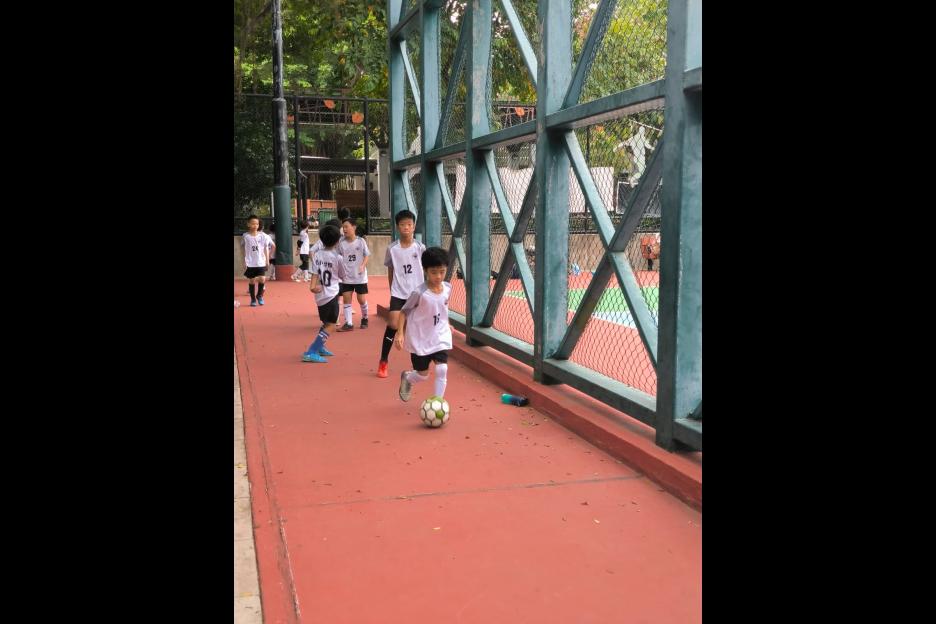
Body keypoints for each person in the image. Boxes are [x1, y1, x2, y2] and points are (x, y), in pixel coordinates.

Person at [395, 247, 452, 402]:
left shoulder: (447, 288)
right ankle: (408, 378)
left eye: (442, 271)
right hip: (419, 338)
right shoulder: (419, 293)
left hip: (439, 335)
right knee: (422, 375)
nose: (438, 276)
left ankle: (438, 402)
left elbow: (442, 308)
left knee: (442, 368)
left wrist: (447, 324)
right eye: (434, 272)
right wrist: (400, 334)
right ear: (425, 271)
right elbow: (403, 312)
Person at [377, 210, 426, 378]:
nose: (406, 227)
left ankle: (418, 365)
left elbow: (426, 269)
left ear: (414, 227)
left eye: (409, 224)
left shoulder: (420, 247)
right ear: (398, 227)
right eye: (403, 224)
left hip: (417, 293)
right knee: (393, 324)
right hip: (399, 293)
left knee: (417, 328)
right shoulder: (392, 248)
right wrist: (392, 289)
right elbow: (391, 270)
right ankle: (383, 360)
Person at [301, 224, 347, 363]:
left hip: (320, 294)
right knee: (331, 324)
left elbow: (314, 273)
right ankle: (311, 351)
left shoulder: (317, 254)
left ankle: (320, 346)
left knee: (326, 322)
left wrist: (312, 287)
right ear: (338, 241)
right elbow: (343, 275)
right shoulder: (338, 258)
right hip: (331, 294)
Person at [336, 217, 370, 331]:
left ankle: (365, 318)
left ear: (354, 227)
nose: (344, 229)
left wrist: (363, 265)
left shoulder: (361, 241)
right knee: (346, 299)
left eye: (346, 227)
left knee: (361, 300)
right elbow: (337, 256)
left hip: (360, 277)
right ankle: (349, 323)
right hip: (346, 276)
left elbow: (367, 255)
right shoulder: (341, 243)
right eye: (343, 227)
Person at [241, 215, 273, 306]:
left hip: (260, 261)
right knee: (252, 280)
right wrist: (244, 261)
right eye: (253, 223)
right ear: (248, 224)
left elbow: (265, 248)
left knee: (262, 279)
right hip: (250, 262)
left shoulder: (263, 236)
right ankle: (253, 299)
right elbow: (243, 249)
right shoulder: (246, 236)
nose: (255, 225)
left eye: (257, 224)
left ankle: (259, 295)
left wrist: (267, 260)